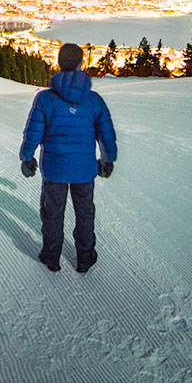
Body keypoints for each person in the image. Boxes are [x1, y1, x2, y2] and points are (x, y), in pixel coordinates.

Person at [19, 42, 117, 273]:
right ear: (81, 63)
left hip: (55, 169)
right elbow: (106, 133)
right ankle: (85, 257)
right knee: (85, 213)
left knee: (52, 213)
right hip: (84, 169)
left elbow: (33, 131)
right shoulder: (94, 100)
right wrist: (108, 159)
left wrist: (27, 157)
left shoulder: (45, 99)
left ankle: (51, 256)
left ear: (59, 63)